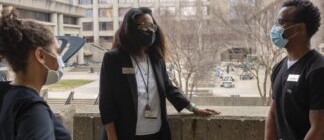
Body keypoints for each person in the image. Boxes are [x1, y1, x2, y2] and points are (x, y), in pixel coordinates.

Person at [99, 7, 220, 140]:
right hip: (125, 134)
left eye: (152, 26)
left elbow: (168, 87)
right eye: (145, 25)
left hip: (156, 132)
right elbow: (106, 102)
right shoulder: (113, 58)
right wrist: (112, 137)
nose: (150, 30)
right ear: (131, 27)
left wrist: (193, 108)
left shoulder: (156, 59)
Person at [0, 9, 71, 140]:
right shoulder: (33, 109)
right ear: (41, 55)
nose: (60, 59)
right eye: (57, 52)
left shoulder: (7, 95)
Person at [265, 0, 324, 140]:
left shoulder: (318, 70)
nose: (276, 28)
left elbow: (319, 129)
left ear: (299, 28)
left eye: (281, 22)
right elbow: (273, 114)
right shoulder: (279, 67)